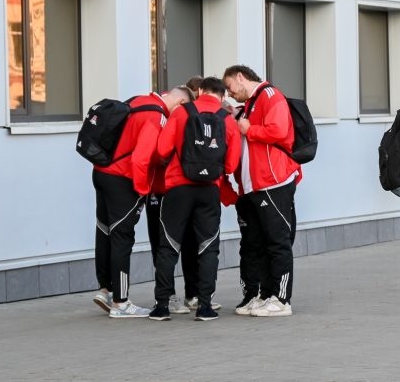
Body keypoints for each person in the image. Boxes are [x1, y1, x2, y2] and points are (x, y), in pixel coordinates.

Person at [92, 86, 192, 318]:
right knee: (122, 237)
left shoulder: (137, 100)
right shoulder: (157, 116)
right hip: (123, 179)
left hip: (101, 171)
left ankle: (106, 290)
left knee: (105, 232)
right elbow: (140, 159)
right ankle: (121, 303)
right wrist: (142, 190)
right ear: (180, 104)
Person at [150, 77, 241, 321]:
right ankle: (204, 307)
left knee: (168, 246)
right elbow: (231, 165)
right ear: (223, 96)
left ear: (200, 91)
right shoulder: (227, 120)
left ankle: (162, 306)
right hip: (209, 190)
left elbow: (162, 150)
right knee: (208, 247)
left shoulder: (181, 113)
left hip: (178, 188)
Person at [223, 65, 302, 317]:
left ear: (240, 77)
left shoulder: (270, 95)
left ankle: (282, 299)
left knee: (278, 242)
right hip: (255, 185)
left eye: (229, 87)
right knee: (261, 243)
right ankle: (266, 294)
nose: (229, 93)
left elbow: (279, 131)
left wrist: (249, 130)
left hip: (273, 182)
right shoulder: (250, 103)